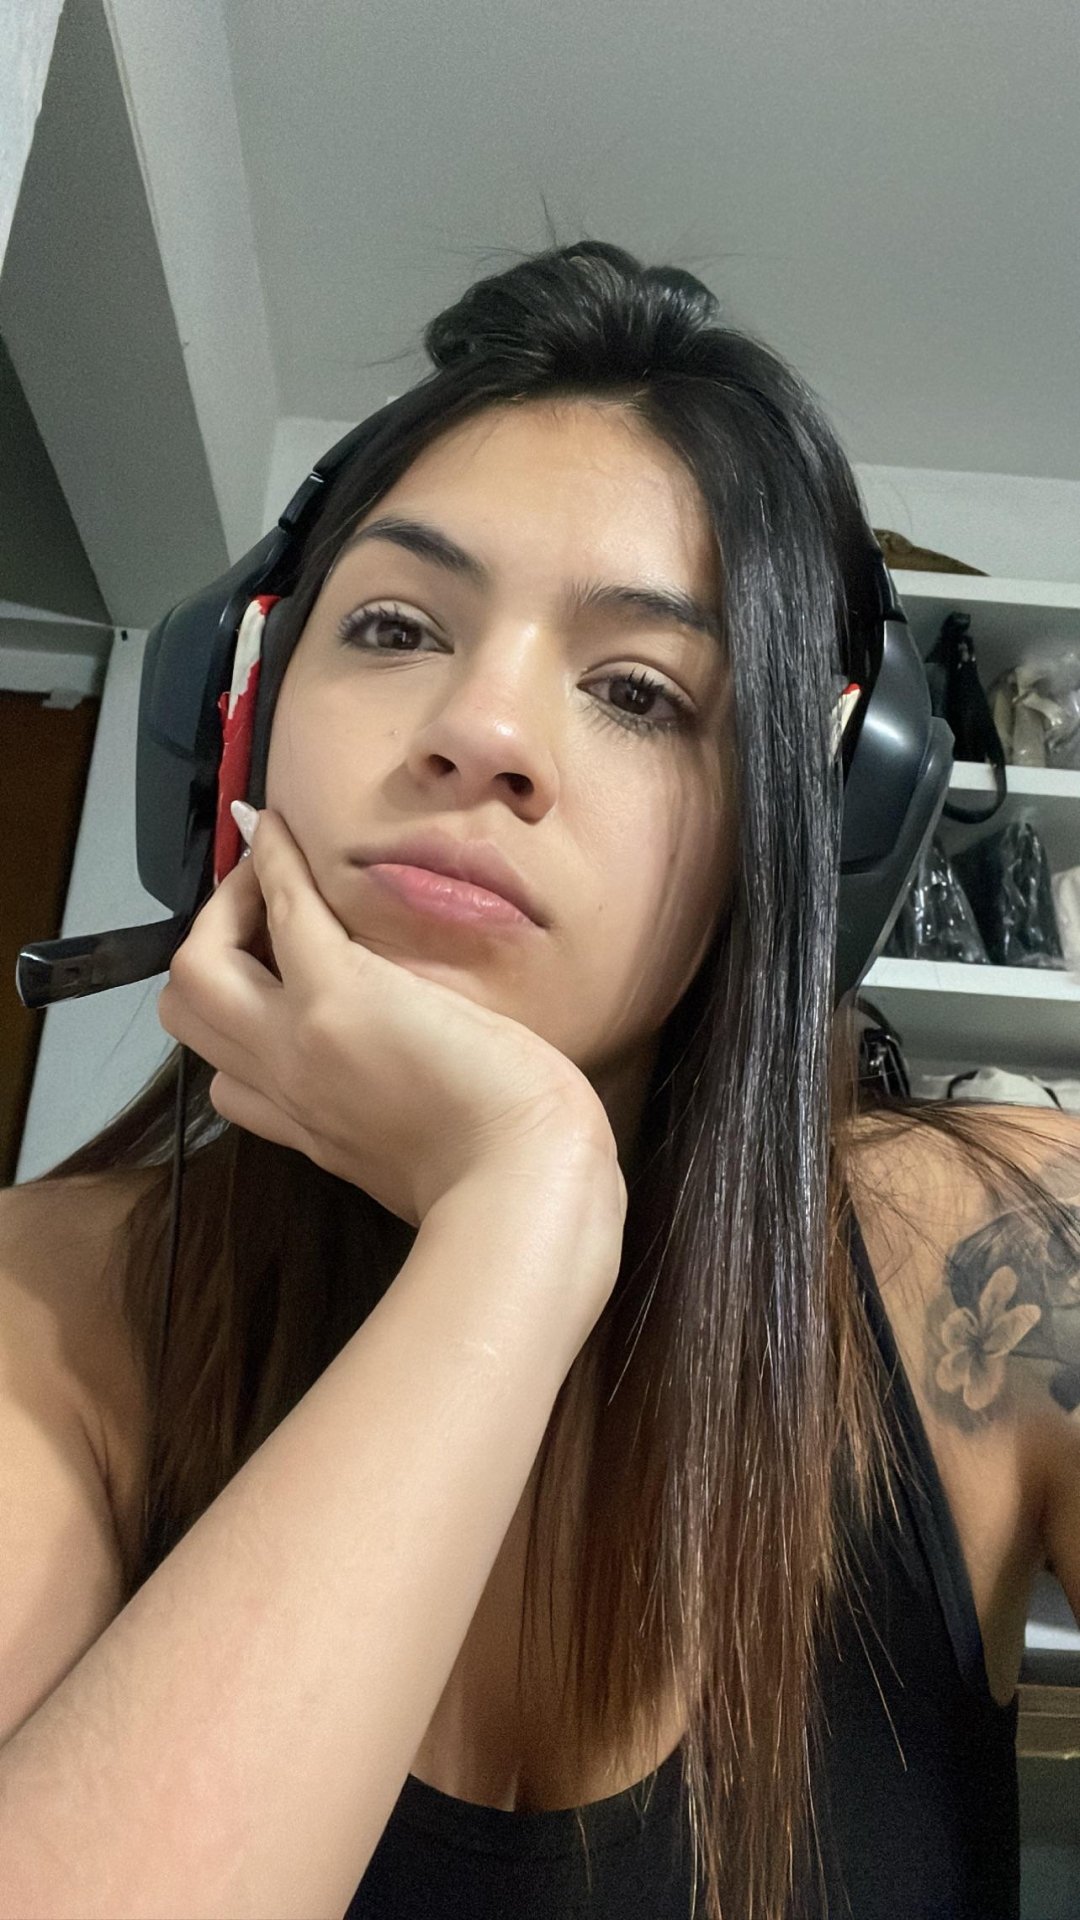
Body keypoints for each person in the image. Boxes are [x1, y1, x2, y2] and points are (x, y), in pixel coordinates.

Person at [0, 236, 1077, 1920]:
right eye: (394, 624)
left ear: (801, 844)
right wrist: (516, 1221)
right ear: (238, 724)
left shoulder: (1008, 1255)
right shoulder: (39, 1303)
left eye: (640, 691)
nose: (481, 729)